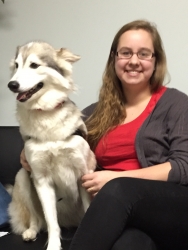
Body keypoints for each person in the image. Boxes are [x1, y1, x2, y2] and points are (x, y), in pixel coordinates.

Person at [21, 20, 188, 250]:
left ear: (155, 60)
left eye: (144, 54)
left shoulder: (175, 103)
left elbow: (183, 167)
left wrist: (115, 179)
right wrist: (29, 147)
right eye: (125, 53)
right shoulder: (94, 113)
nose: (134, 61)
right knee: (130, 245)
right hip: (117, 212)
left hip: (170, 207)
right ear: (114, 59)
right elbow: (59, 135)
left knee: (119, 189)